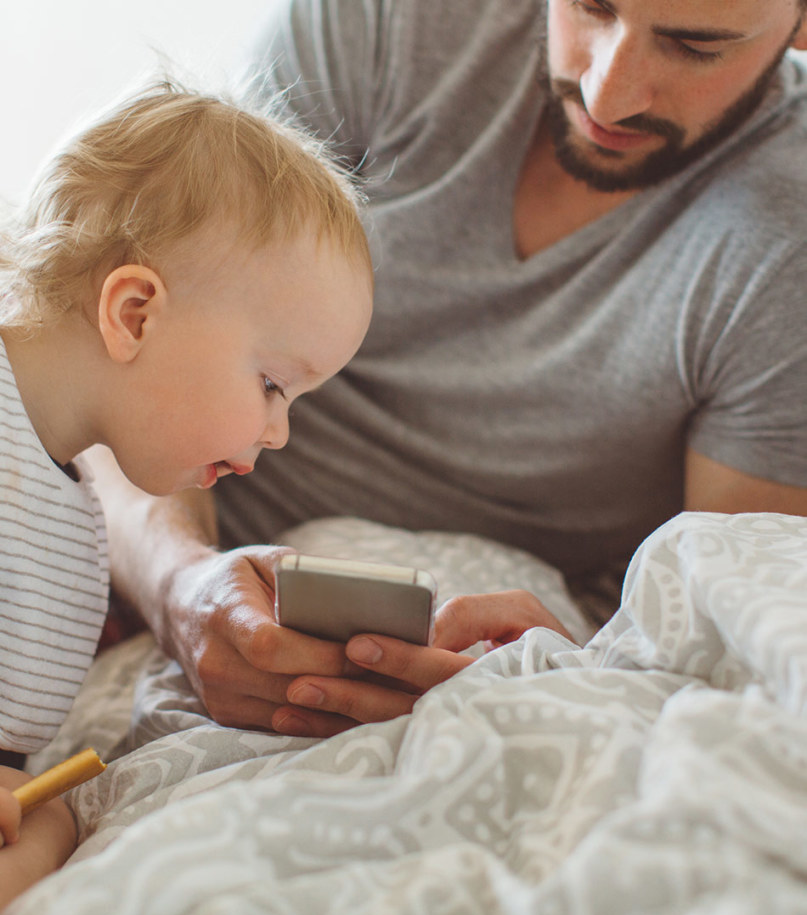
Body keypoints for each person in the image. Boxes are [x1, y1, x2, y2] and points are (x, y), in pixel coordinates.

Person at [88, 0, 807, 739]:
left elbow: (718, 634)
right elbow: (111, 354)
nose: (606, 94)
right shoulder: (391, 22)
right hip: (142, 533)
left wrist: (574, 667)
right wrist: (176, 585)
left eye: (693, 46)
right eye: (590, 7)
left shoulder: (786, 244)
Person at [0, 77, 373, 908]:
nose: (278, 433)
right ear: (134, 314)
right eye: (273, 384)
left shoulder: (74, 524)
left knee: (57, 824)